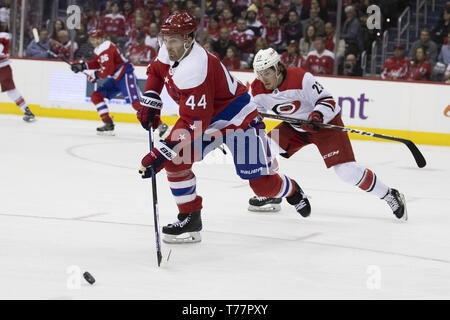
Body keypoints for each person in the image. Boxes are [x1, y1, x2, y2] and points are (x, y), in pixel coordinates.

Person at [136, 12, 311, 244]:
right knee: (177, 160)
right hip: (206, 121)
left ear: (189, 39)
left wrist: (162, 150)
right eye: (165, 38)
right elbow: (157, 72)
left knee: (263, 187)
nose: (167, 45)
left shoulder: (195, 67)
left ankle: (292, 190)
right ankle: (190, 217)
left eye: (174, 39)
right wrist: (150, 99)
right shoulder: (170, 48)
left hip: (239, 121)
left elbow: (194, 122)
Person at [247, 48, 407, 221]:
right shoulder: (257, 88)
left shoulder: (301, 78)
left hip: (325, 125)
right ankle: (274, 192)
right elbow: (256, 114)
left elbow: (327, 100)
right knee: (262, 151)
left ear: (278, 68)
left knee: (346, 172)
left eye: (267, 73)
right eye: (259, 74)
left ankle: (390, 195)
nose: (263, 78)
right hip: (294, 127)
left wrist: (317, 115)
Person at [70, 29, 141, 135]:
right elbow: (98, 64)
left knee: (136, 104)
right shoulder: (99, 49)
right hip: (116, 78)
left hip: (125, 75)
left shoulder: (106, 47)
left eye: (97, 39)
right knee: (96, 96)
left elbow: (108, 69)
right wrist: (82, 66)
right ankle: (108, 123)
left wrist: (95, 75)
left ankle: (158, 124)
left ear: (102, 38)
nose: (94, 41)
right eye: (93, 39)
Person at [0, 23, 35, 122]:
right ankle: (27, 111)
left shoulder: (3, 36)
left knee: (11, 90)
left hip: (2, 67)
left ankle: (27, 111)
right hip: (4, 67)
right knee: (11, 91)